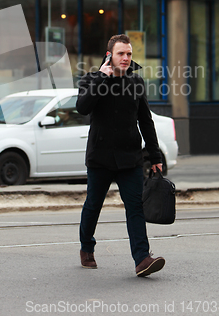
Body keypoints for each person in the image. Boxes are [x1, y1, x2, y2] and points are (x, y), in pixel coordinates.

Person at [76, 34, 165, 277]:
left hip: (130, 158)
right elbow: (82, 107)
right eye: (120, 54)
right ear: (109, 56)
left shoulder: (136, 82)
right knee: (93, 205)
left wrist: (155, 156)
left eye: (128, 54)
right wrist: (102, 77)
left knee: (135, 207)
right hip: (100, 157)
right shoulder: (91, 79)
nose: (125, 58)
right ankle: (86, 247)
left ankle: (142, 259)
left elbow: (146, 121)